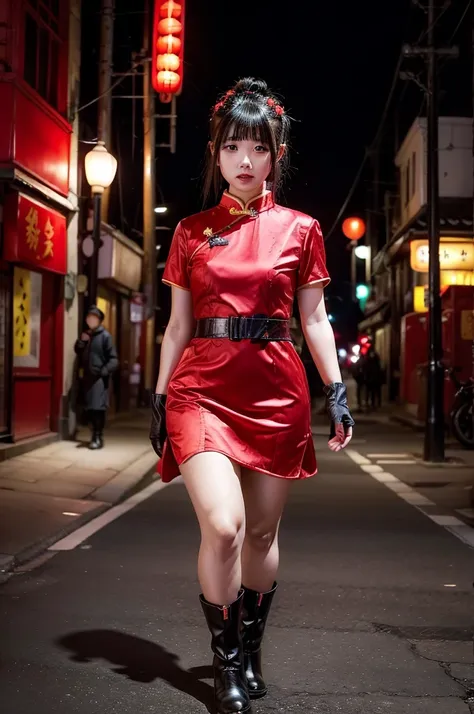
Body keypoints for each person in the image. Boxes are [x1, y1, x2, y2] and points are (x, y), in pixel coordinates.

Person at [149, 78, 355, 714]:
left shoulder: (302, 229)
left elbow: (315, 319)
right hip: (201, 387)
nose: (244, 160)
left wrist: (336, 390)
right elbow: (178, 325)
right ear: (217, 154)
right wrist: (160, 396)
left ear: (276, 155)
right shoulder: (190, 231)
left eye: (257, 148)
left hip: (275, 388)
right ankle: (227, 661)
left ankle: (252, 642)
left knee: (262, 534)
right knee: (225, 524)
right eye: (232, 146)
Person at [74, 305, 118, 449]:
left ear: (99, 320)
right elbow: (78, 351)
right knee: (89, 409)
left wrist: (103, 371)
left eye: (94, 318)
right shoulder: (86, 335)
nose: (91, 320)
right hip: (86, 378)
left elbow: (113, 359)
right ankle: (94, 435)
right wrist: (81, 342)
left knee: (97, 409)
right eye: (89, 318)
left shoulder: (105, 336)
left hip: (99, 379)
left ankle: (97, 437)